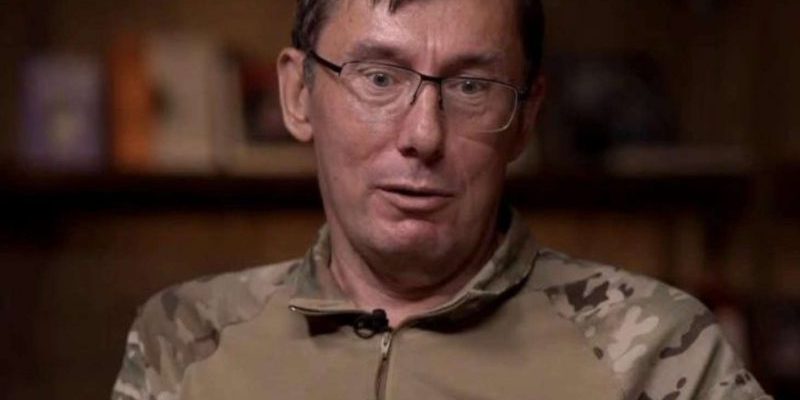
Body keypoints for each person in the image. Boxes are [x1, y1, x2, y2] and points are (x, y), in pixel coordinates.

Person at [112, 0, 771, 399]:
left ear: (526, 117)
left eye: (472, 87)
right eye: (379, 78)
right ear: (298, 95)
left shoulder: (660, 348)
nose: (424, 136)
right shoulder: (185, 335)